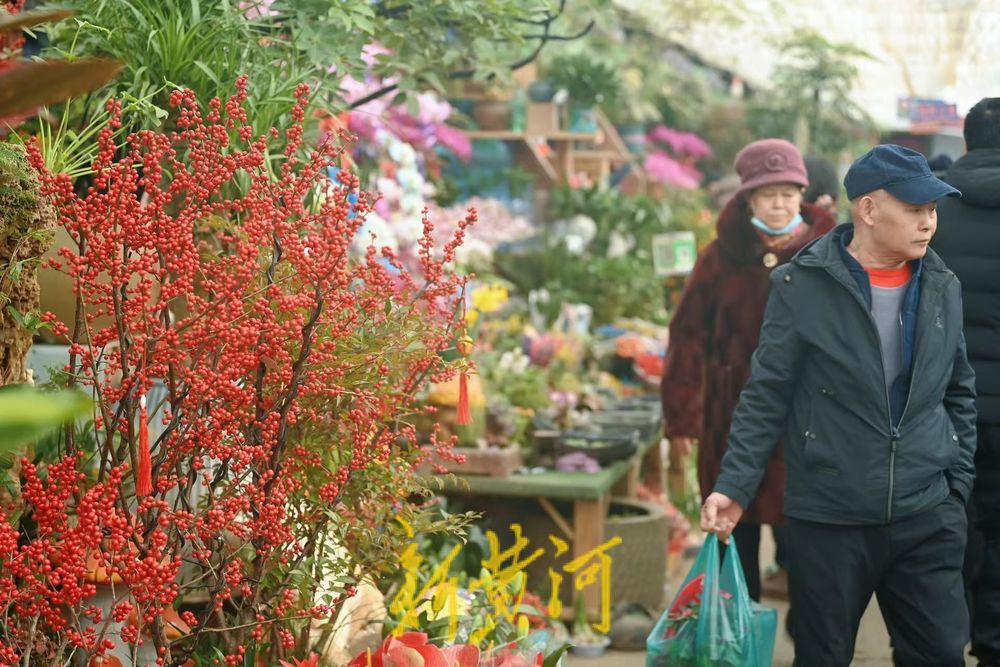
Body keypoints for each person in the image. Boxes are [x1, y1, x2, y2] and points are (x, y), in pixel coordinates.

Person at [701, 143, 976, 666]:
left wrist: (953, 486)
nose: (928, 223)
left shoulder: (942, 285)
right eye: (915, 210)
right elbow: (767, 392)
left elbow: (958, 388)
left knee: (940, 653)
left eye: (933, 211)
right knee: (823, 655)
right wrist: (734, 486)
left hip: (926, 513)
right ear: (869, 210)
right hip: (831, 516)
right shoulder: (801, 285)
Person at [661, 138, 836, 600]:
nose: (779, 204)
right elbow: (687, 337)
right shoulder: (720, 257)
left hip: (807, 420)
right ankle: (737, 639)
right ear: (748, 199)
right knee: (732, 538)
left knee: (807, 541)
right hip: (731, 419)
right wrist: (682, 417)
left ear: (802, 194)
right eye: (767, 194)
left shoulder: (830, 253)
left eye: (788, 193)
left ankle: (812, 640)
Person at [931, 96, 1000, 666]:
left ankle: (943, 639)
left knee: (949, 526)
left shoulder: (931, 213)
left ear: (968, 141)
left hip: (945, 407)